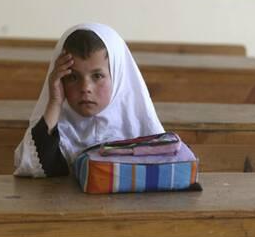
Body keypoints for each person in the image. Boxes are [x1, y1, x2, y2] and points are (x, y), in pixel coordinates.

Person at [13, 22, 164, 177]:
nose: (85, 88)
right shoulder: (55, 125)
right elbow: (31, 168)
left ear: (118, 76)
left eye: (97, 76)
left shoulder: (139, 129)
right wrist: (55, 102)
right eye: (73, 77)